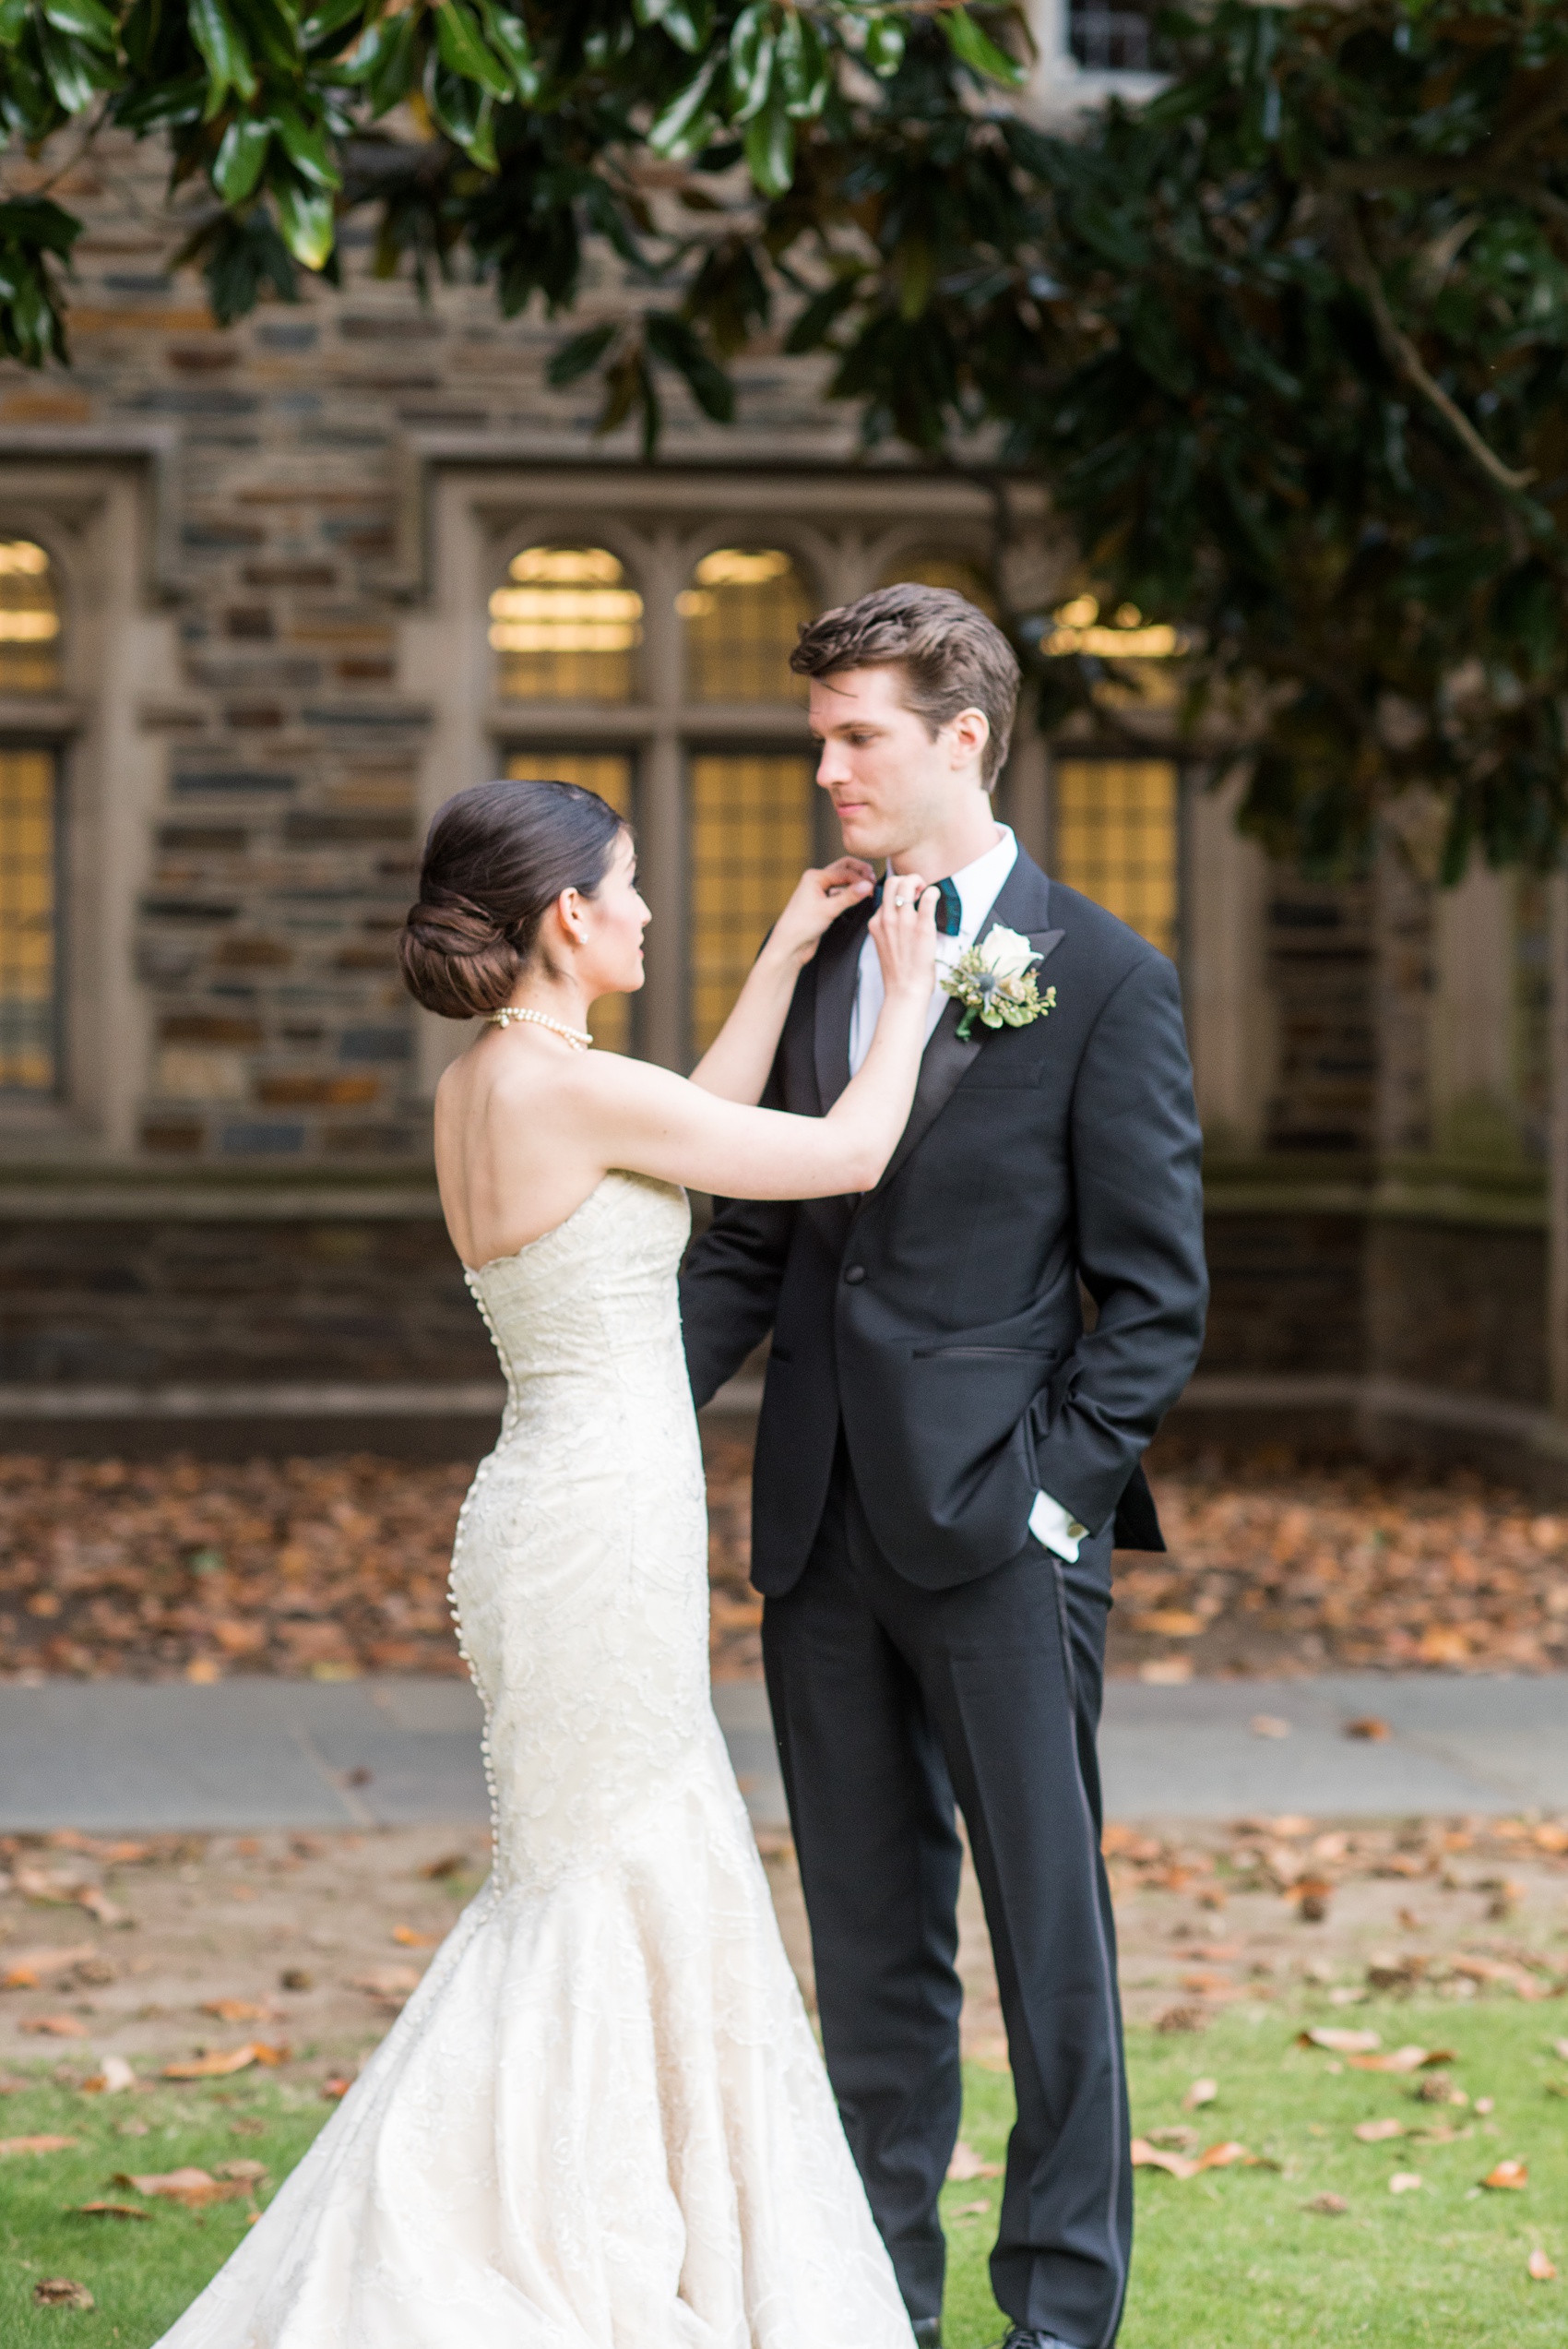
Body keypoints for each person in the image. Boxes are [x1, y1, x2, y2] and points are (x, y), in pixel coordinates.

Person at [150, 773, 939, 2349]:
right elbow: (840, 1153)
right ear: (569, 915)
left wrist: (785, 962)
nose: (650, 911)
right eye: (634, 887)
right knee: (601, 1879)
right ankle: (544, 2248)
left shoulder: (512, 1078)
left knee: (592, 1874)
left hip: (560, 1513)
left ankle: (596, 2212)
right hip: (593, 1524)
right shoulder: (559, 1088)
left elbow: (686, 1138)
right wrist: (905, 999)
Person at [680, 586, 1209, 2349]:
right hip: (820, 1529)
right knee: (872, 1949)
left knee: (1052, 1948)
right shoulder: (822, 951)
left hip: (1005, 1537)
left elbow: (1154, 1301)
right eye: (821, 735)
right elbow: (752, 1251)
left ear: (961, 737)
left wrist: (1052, 1502)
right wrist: (611, 1416)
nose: (826, 767)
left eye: (858, 736)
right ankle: (871, 2301)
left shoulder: (1110, 977)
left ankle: (1059, 2310)